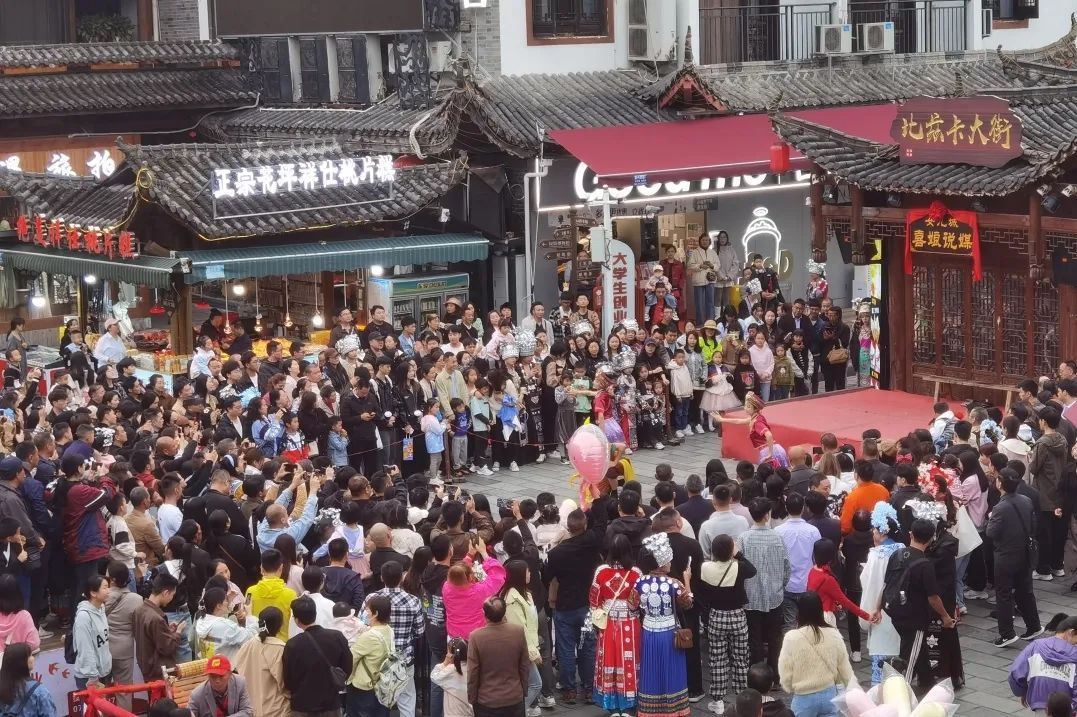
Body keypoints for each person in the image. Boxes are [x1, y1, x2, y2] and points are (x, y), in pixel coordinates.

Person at [871, 518, 955, 689]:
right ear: (931, 539)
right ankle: (901, 690)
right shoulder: (925, 565)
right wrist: (946, 617)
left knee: (917, 647)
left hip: (894, 611)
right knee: (910, 657)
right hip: (914, 618)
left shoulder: (897, 554)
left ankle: (927, 680)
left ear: (910, 534)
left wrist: (877, 608)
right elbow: (933, 598)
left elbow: (886, 584)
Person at [543, 509, 600, 705]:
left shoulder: (556, 553)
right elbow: (598, 526)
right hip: (587, 605)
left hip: (565, 605)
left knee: (566, 649)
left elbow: (546, 577)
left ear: (568, 527)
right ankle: (589, 688)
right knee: (587, 648)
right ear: (585, 526)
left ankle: (569, 690)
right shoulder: (592, 544)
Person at [696, 534, 755, 716]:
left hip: (716, 616)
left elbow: (701, 592)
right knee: (741, 657)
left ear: (713, 551)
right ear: (731, 551)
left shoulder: (705, 567)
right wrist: (739, 554)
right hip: (737, 616)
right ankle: (742, 697)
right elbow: (753, 570)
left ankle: (718, 700)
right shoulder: (739, 566)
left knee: (717, 658)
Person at [634, 532, 689, 717]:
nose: (670, 563)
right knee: (672, 670)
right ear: (661, 563)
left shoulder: (639, 582)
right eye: (668, 560)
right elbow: (688, 603)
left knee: (651, 669)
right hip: (669, 632)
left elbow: (632, 605)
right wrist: (687, 580)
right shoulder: (674, 584)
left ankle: (650, 709)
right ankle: (674, 709)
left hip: (648, 632)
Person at [987, 469, 1044, 646]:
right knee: (1025, 591)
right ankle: (1034, 626)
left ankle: (1007, 633)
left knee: (1003, 594)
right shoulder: (1026, 500)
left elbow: (991, 532)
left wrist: (991, 518)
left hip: (1006, 555)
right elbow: (1033, 524)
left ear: (1000, 483)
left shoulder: (1000, 508)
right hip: (1025, 552)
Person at [777, 592, 854, 717]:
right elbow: (844, 667)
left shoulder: (791, 638)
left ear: (799, 612)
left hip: (804, 696)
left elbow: (785, 669)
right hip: (829, 693)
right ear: (820, 610)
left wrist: (789, 687)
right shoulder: (833, 634)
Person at [589, 534, 641, 715]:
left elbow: (594, 599)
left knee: (608, 660)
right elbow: (637, 602)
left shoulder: (601, 571)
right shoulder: (635, 573)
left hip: (608, 624)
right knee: (629, 661)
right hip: (630, 624)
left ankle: (612, 706)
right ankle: (629, 706)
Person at [739, 498, 789, 673]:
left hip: (751, 595)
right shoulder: (777, 537)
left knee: (755, 638)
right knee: (775, 637)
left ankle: (757, 675)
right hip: (775, 594)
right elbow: (786, 566)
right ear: (767, 515)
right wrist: (781, 585)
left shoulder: (744, 538)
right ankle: (775, 674)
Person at [283, 595, 353, 717]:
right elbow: (347, 667)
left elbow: (288, 680)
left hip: (302, 705)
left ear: (297, 620)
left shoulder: (293, 644)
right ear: (315, 614)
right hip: (330, 703)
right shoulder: (337, 637)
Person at [467, 596, 531, 717]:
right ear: (504, 612)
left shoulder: (476, 637)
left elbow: (473, 672)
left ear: (485, 615)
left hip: (487, 701)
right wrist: (523, 691)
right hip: (514, 697)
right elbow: (524, 665)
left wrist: (472, 697)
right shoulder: (518, 631)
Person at [1008, 613, 1077, 713]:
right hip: (1065, 710)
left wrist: (1023, 691)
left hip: (1039, 704)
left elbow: (1015, 673)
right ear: (1071, 632)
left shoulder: (1035, 646)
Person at [1029, 407, 1068, 580]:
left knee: (1044, 533)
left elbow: (1034, 468)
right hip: (1060, 489)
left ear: (1043, 422)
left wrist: (1030, 457)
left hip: (1044, 491)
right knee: (1058, 532)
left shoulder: (1042, 443)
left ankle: (1043, 569)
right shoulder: (1062, 440)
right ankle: (1057, 566)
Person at [773, 493, 820, 632]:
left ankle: (790, 644)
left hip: (787, 584)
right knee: (809, 624)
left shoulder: (778, 531)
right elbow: (817, 557)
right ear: (803, 508)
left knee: (789, 624)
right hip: (807, 583)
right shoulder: (813, 531)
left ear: (786, 508)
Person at [233, 607, 289, 717]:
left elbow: (238, 667)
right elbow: (284, 684)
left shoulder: (248, 644)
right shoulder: (279, 649)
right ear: (280, 625)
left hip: (252, 707)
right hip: (276, 709)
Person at [105, 561, 145, 711]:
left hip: (103, 648)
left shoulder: (102, 597)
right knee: (124, 691)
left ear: (112, 579)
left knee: (100, 690)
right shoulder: (137, 599)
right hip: (125, 649)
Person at [345, 594, 394, 717]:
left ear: (375, 613)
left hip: (364, 687)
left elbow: (350, 659)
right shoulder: (389, 630)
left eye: (367, 610)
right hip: (383, 685)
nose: (365, 613)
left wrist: (348, 679)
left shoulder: (369, 636)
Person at [134, 572, 184, 687]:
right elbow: (167, 648)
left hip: (146, 666)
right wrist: (178, 632)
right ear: (166, 593)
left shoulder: (139, 610)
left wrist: (167, 630)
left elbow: (151, 636)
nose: (172, 598)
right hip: (158, 671)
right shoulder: (156, 618)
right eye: (172, 595)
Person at [195, 586, 258, 661]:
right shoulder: (224, 626)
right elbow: (250, 637)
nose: (228, 603)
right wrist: (250, 615)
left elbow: (220, 638)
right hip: (226, 666)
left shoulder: (201, 621)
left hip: (210, 664)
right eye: (226, 600)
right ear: (219, 606)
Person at [73, 574, 113, 690]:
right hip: (90, 677)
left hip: (104, 672)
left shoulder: (101, 609)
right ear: (93, 593)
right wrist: (93, 677)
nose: (108, 591)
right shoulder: (84, 616)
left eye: (108, 587)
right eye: (105, 588)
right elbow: (85, 648)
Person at [0, 642, 57, 717]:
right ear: (21, 662)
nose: (33, 658)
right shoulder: (39, 691)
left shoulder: (3, 685)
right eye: (30, 655)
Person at [187, 655, 254, 717]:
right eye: (213, 676)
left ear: (230, 674)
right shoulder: (197, 695)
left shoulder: (240, 683)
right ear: (208, 675)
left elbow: (247, 711)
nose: (217, 681)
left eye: (221, 676)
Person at [431, 637, 472, 717]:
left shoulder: (450, 670)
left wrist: (445, 663)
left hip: (453, 713)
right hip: (469, 712)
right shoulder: (470, 668)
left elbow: (434, 676)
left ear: (451, 655)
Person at [687, 234, 720, 324]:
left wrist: (712, 266)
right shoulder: (695, 252)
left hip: (710, 280)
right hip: (698, 280)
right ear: (700, 241)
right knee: (699, 303)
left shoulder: (713, 252)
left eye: (706, 240)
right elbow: (690, 265)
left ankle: (710, 322)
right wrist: (700, 266)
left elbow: (718, 265)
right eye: (703, 240)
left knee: (710, 302)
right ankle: (700, 323)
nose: (705, 242)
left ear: (709, 241)